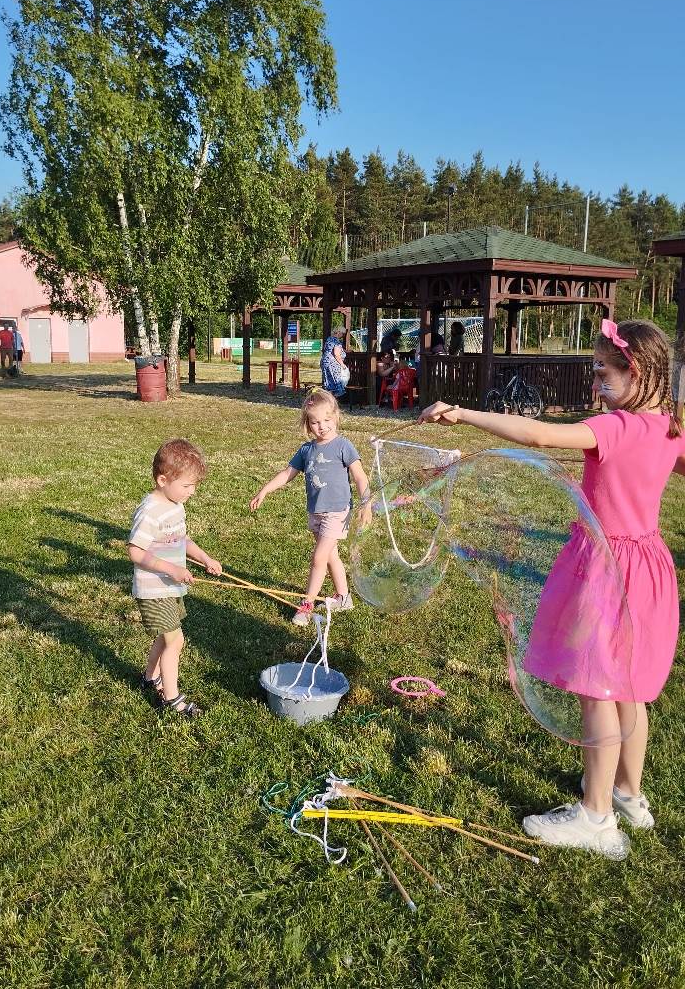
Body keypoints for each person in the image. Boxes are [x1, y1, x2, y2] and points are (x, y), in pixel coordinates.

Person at [418, 318, 684, 859]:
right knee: (628, 685)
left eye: (602, 370)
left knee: (597, 687)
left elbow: (540, 434)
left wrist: (464, 412)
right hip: (649, 565)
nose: (595, 382)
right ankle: (630, 795)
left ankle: (596, 817)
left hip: (607, 565)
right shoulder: (668, 429)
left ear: (634, 370)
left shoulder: (615, 427)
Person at [250, 388, 370, 626]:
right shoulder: (306, 450)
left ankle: (306, 605)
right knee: (329, 556)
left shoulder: (343, 446)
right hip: (315, 511)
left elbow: (360, 477)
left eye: (326, 420)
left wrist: (366, 502)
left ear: (336, 417)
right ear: (307, 424)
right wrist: (264, 489)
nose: (322, 426)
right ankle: (343, 597)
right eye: (315, 422)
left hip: (337, 511)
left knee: (318, 558)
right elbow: (287, 474)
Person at [127, 438, 222, 718]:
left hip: (170, 587)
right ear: (162, 479)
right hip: (154, 589)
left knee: (165, 636)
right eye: (187, 486)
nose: (192, 492)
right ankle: (171, 698)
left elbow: (181, 540)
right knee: (175, 640)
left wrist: (204, 558)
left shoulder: (174, 504)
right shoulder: (150, 511)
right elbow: (134, 551)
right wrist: (172, 570)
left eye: (195, 486)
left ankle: (149, 678)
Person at [320, 325, 350, 397]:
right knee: (334, 384)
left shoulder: (329, 339)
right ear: (338, 332)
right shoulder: (336, 341)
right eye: (342, 334)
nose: (342, 336)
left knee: (328, 383)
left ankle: (327, 402)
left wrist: (345, 351)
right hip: (332, 364)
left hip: (326, 362)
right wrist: (342, 365)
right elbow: (336, 354)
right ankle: (331, 403)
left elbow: (332, 350)